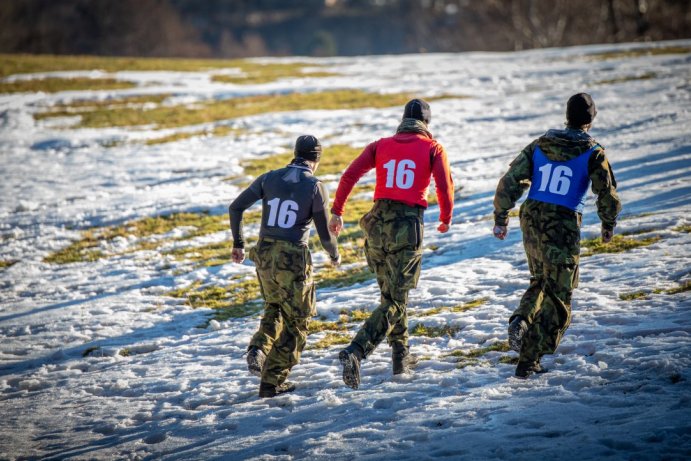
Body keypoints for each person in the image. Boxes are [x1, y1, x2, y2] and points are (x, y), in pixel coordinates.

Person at [492, 93, 621, 379]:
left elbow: (511, 180)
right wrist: (608, 224)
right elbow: (606, 193)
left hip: (533, 217)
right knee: (560, 295)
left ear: (567, 115)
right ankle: (529, 360)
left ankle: (521, 319)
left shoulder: (541, 143)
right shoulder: (594, 151)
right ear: (591, 119)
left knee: (540, 280)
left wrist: (501, 216)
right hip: (562, 223)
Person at [329, 99, 455, 389]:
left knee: (392, 296)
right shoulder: (433, 148)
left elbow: (349, 175)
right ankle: (357, 350)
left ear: (403, 120)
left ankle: (401, 360)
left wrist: (337, 212)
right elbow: (444, 185)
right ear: (426, 124)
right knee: (396, 300)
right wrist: (446, 217)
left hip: (376, 224)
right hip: (406, 226)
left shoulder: (380, 145)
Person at [229, 135, 340, 398]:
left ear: (295, 154)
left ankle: (258, 348)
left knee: (275, 305)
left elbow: (236, 207)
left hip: (265, 253)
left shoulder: (269, 177)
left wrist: (239, 243)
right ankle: (272, 381)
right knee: (298, 321)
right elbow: (324, 234)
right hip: (292, 257)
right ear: (316, 160)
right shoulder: (315, 186)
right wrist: (334, 255)